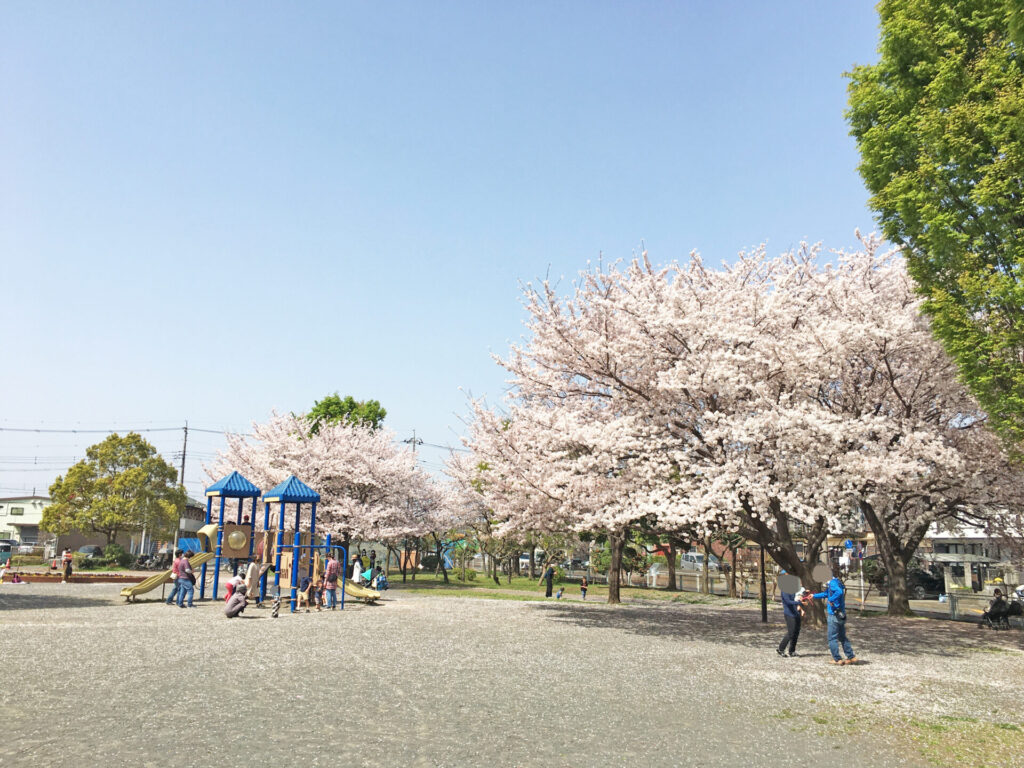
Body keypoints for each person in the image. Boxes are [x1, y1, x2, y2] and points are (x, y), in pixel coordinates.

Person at [811, 573, 859, 665]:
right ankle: (851, 657)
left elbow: (839, 592)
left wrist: (831, 600)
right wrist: (814, 596)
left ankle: (837, 659)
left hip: (834, 615)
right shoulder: (836, 582)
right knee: (842, 637)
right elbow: (826, 594)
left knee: (832, 638)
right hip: (841, 614)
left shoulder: (832, 583)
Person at [777, 587, 808, 657]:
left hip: (796, 613)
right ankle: (781, 649)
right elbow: (788, 602)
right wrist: (799, 602)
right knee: (791, 632)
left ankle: (792, 651)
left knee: (796, 632)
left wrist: (801, 604)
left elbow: (799, 597)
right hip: (789, 614)